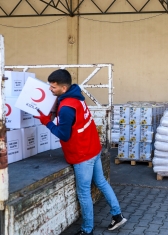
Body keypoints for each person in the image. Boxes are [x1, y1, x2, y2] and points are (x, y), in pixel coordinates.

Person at [34, 69, 127, 235]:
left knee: (83, 192)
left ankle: (87, 229)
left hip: (82, 154)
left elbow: (63, 134)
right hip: (93, 148)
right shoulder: (76, 97)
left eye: (53, 87)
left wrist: (46, 122)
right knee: (101, 182)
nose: (50, 90)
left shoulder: (66, 107)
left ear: (63, 88)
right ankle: (117, 216)